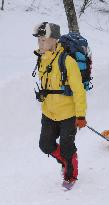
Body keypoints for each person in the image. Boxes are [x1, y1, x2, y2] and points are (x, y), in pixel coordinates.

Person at [32, 22, 87, 183]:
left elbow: (79, 91)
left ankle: (71, 172)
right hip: (49, 112)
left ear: (54, 40)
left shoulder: (68, 61)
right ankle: (63, 160)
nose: (40, 43)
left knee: (67, 148)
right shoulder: (42, 59)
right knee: (45, 145)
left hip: (68, 115)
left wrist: (81, 115)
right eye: (39, 40)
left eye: (43, 40)